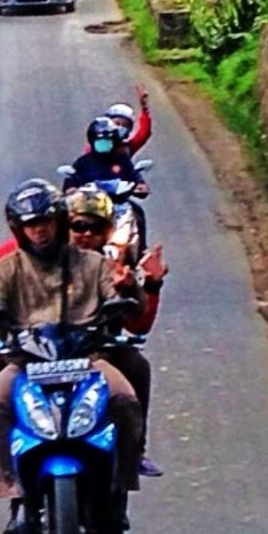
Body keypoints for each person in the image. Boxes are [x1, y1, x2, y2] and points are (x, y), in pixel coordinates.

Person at [0, 178, 146, 534]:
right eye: (30, 225)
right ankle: (14, 494)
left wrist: (128, 288)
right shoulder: (9, 268)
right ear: (19, 230)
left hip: (87, 358)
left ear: (60, 220)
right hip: (27, 364)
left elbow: (123, 299)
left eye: (46, 222)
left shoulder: (93, 264)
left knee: (125, 399)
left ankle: (122, 484)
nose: (39, 231)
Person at [66, 188, 168, 477]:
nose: (86, 234)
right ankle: (6, 472)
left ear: (107, 231)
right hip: (43, 358)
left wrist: (147, 285)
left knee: (136, 367)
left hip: (98, 355)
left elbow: (138, 324)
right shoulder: (44, 261)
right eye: (78, 226)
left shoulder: (114, 269)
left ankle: (133, 453)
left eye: (95, 227)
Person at [103, 84, 152, 156]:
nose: (120, 127)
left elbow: (144, 132)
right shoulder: (97, 144)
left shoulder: (127, 148)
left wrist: (144, 107)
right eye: (117, 123)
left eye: (124, 125)